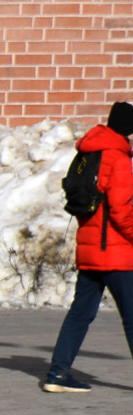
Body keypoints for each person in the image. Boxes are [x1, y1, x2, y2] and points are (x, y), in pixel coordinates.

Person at [41, 101, 133, 392]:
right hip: (117, 254)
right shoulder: (117, 158)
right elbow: (121, 209)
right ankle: (58, 375)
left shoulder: (89, 151)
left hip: (90, 249)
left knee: (79, 314)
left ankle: (57, 374)